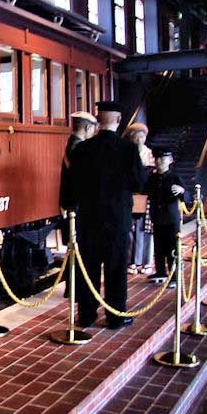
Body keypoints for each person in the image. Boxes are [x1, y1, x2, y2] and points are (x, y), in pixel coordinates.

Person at [68, 101, 147, 330]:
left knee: (88, 267)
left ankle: (86, 315)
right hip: (118, 217)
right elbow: (139, 183)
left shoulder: (83, 149)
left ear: (97, 119)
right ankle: (115, 316)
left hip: (88, 218)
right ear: (119, 119)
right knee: (116, 268)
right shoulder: (129, 149)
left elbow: (73, 185)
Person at [59, 111, 97, 298]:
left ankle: (72, 287)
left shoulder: (71, 146)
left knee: (74, 248)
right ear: (87, 127)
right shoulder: (80, 149)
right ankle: (74, 287)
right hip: (79, 206)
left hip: (71, 204)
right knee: (79, 249)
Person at [145, 149, 187, 286]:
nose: (159, 162)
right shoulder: (152, 177)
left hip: (171, 218)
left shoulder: (175, 177)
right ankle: (160, 271)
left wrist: (182, 191)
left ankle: (174, 275)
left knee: (172, 248)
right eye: (157, 159)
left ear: (170, 160)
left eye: (163, 159)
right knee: (158, 247)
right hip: (157, 217)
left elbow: (186, 197)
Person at [123, 123, 154, 276]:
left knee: (145, 229)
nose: (139, 140)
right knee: (130, 230)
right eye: (136, 137)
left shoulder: (150, 154)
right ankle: (132, 261)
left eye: (142, 136)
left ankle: (147, 262)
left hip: (145, 195)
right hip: (129, 195)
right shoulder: (127, 153)